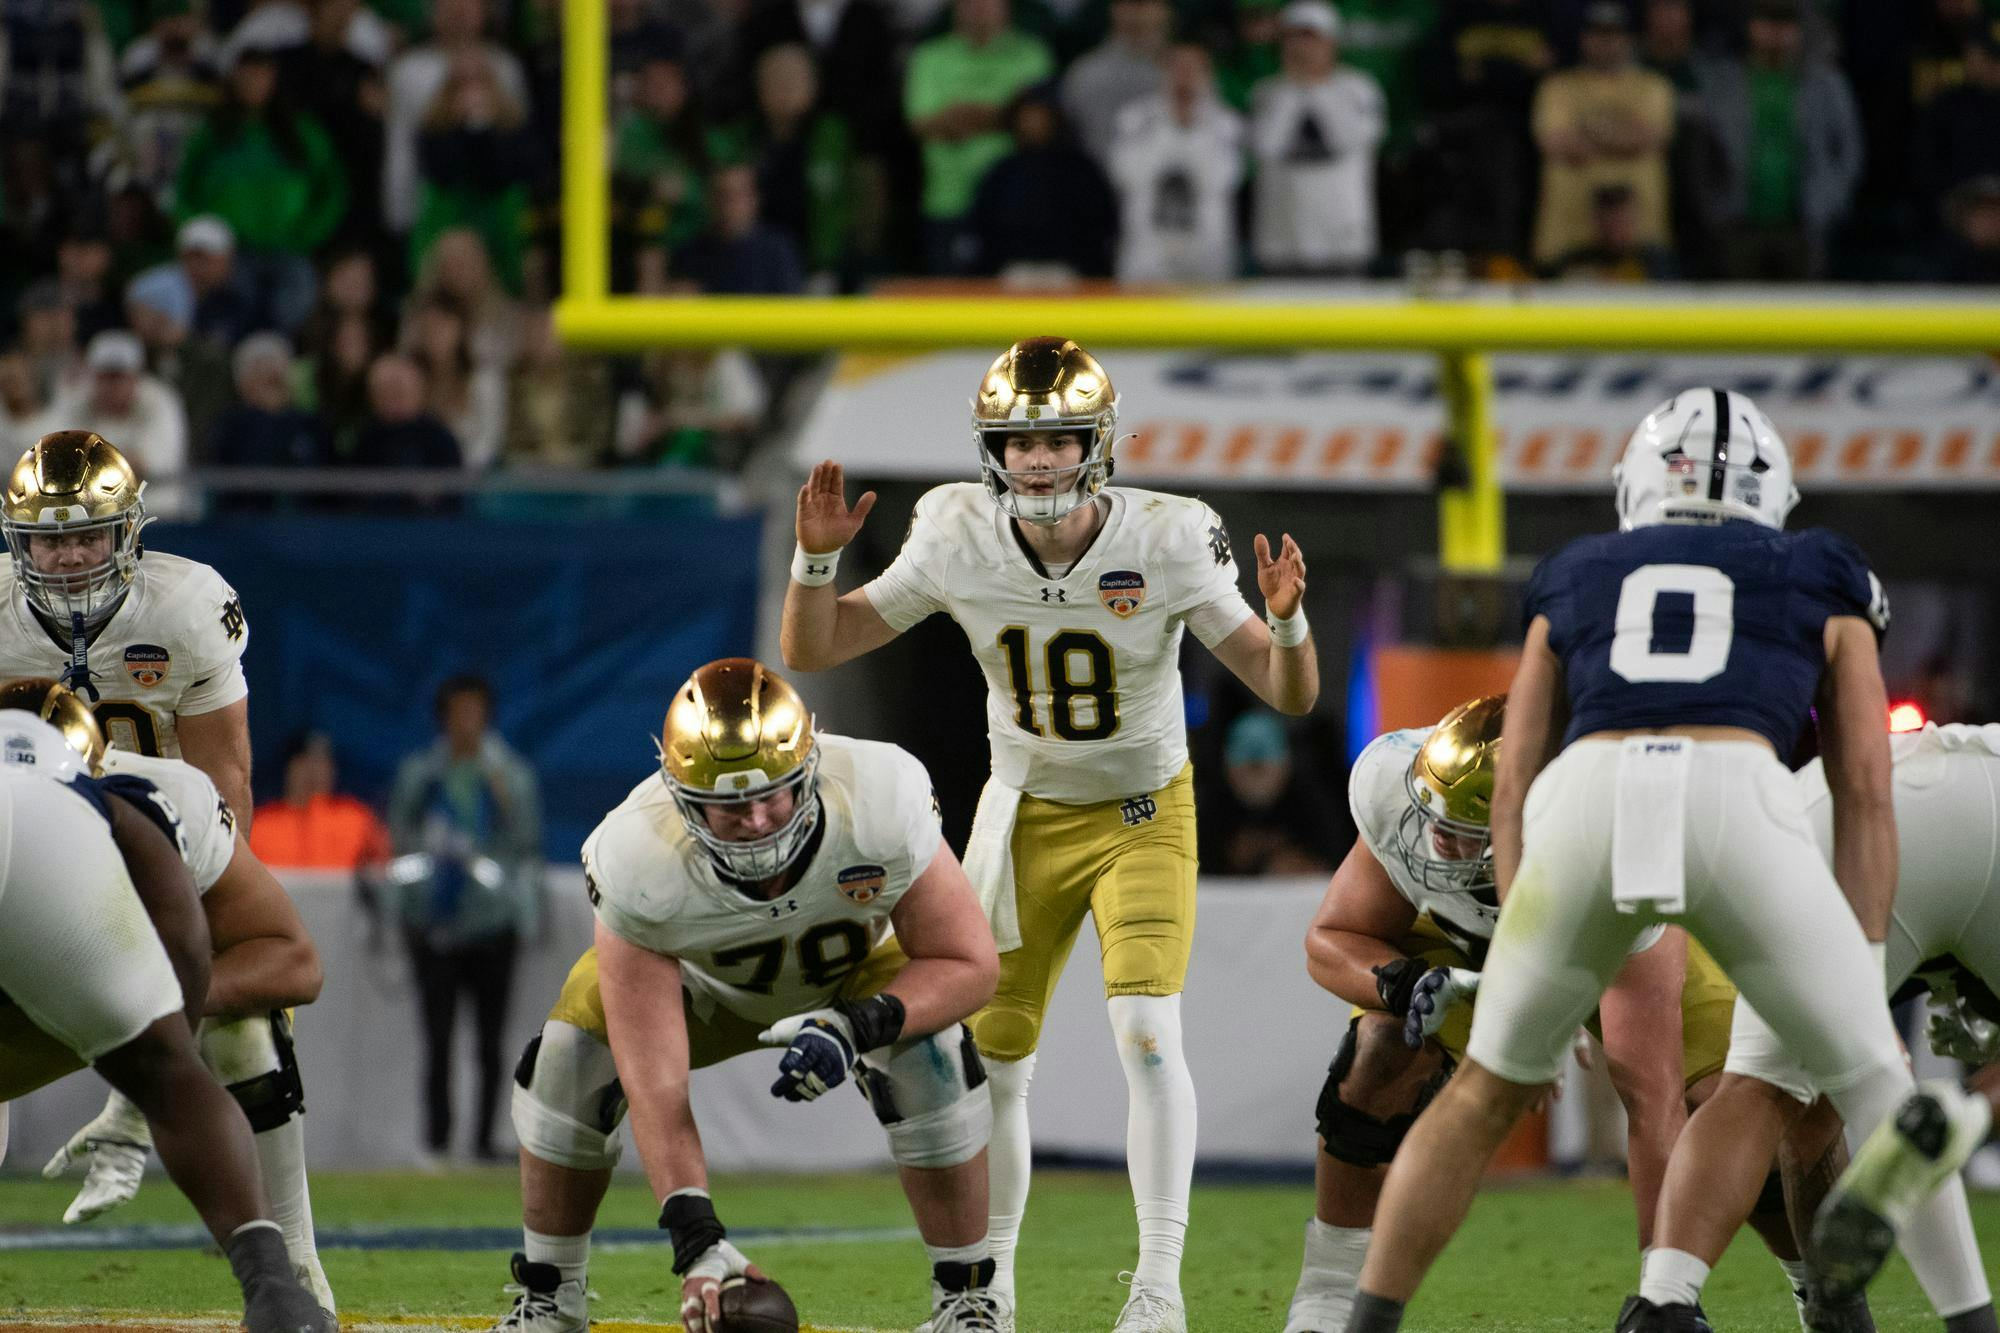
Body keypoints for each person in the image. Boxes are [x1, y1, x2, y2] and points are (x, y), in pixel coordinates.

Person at [1338, 388, 1973, 1333]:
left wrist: (1523, 953)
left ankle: (1366, 1324)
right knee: (1873, 1081)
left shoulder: (1578, 570)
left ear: (1638, 482)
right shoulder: (1823, 569)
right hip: (1738, 799)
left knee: (1480, 1095)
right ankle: (1961, 1320)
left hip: (1590, 796)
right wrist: (1865, 953)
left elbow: (1513, 780)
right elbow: (1865, 784)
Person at [782, 337, 1320, 1332]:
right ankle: (987, 1293)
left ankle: (1158, 1287)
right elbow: (815, 645)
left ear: (1096, 440)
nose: (1034, 459)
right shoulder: (953, 529)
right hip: (1023, 807)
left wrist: (1286, 626)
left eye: (1056, 437)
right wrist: (815, 559)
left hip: (1141, 811)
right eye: (1017, 441)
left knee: (1148, 1034)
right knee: (997, 1063)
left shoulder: (1167, 535)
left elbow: (1287, 693)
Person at [483, 658, 1003, 1333]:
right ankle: (552, 1300)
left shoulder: (878, 795)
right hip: (707, 990)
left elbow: (969, 961)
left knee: (935, 1050)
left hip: (855, 973)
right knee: (568, 1058)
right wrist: (694, 1233)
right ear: (682, 796)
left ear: (808, 771)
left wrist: (856, 1026)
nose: (757, 820)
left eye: (773, 794)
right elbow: (655, 1084)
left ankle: (964, 1298)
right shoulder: (636, 856)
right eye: (728, 805)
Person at [1284, 696, 1742, 1333]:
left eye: (1462, 833)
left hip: (1603, 935)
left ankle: (1720, 1299)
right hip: (1474, 939)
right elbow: (1331, 938)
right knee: (1379, 1050)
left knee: (1718, 1096)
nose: (1434, 842)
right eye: (1433, 817)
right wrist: (1401, 983)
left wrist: (1665, 1293)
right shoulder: (1396, 782)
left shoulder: (1615, 849)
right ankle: (1329, 1295)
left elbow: (1651, 1090)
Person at [0, 679, 334, 1315]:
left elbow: (294, 961)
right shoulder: (141, 790)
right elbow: (183, 945)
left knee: (242, 1032)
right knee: (176, 1077)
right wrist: (149, 1071)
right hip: (64, 851)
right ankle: (274, 1287)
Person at [1666, 720, 2000, 1329]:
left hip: (1828, 811)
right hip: (1982, 805)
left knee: (1760, 1088)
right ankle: (1966, 1115)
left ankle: (1666, 1301)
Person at [0, 431, 254, 827]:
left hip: (162, 836)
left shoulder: (185, 610)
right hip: (28, 837)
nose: (71, 557)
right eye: (52, 540)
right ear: (22, 545)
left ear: (126, 533)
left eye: (89, 537)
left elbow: (224, 788)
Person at [387, 673, 542, 1162]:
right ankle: (437, 1141)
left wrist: (502, 800)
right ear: (443, 716)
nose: (466, 722)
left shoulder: (510, 775)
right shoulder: (421, 774)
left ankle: (482, 1140)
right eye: (458, 711)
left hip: (492, 924)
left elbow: (526, 845)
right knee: (438, 1037)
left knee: (491, 1041)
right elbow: (398, 836)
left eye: (475, 711)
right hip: (434, 922)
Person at [1249, 2, 1387, 276]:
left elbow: (1348, 139)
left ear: (1331, 42)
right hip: (1281, 243)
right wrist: (1293, 89)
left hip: (1342, 242)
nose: (1302, 47)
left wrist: (1315, 87)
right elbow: (1266, 146)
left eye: (1311, 38)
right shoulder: (1267, 92)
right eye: (1293, 38)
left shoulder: (1359, 89)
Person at [251, 729, 390, 871]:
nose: (313, 769)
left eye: (321, 761)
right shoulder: (260, 825)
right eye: (304, 760)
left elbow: (384, 871)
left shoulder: (356, 819)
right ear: (287, 768)